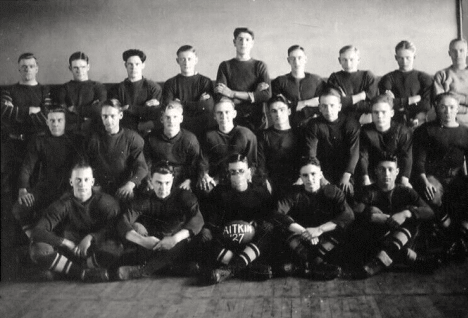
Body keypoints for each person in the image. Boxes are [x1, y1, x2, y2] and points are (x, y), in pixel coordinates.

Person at [29, 162, 122, 282]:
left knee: (117, 246)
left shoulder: (106, 202)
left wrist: (92, 237)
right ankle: (82, 273)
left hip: (94, 251)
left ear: (92, 182)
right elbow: (37, 231)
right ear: (71, 182)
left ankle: (67, 271)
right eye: (78, 180)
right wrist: (65, 242)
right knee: (38, 249)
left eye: (86, 179)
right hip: (69, 252)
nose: (82, 184)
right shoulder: (62, 204)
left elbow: (115, 227)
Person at [345, 155, 435, 279]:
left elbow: (429, 212)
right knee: (371, 211)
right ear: (376, 171)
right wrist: (371, 216)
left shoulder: (406, 191)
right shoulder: (369, 191)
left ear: (397, 172)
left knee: (411, 215)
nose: (386, 174)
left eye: (390, 169)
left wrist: (406, 214)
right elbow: (354, 214)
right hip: (381, 239)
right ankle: (408, 258)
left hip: (404, 237)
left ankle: (379, 262)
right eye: (382, 169)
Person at [115, 161, 204, 280]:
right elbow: (123, 220)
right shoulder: (145, 198)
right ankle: (171, 268)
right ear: (151, 180)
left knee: (190, 242)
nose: (163, 188)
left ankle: (142, 271)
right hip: (154, 244)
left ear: (173, 179)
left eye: (167, 183)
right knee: (136, 230)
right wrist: (142, 241)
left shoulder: (183, 196)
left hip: (178, 244)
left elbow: (198, 219)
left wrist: (174, 239)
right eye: (158, 183)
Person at [271, 157, 354, 280]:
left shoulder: (332, 191)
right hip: (302, 238)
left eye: (313, 174)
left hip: (325, 239)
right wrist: (304, 231)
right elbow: (276, 214)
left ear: (320, 174)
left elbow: (348, 215)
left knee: (347, 230)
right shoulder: (294, 193)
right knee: (277, 228)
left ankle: (309, 265)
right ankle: (316, 263)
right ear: (300, 177)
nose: (310, 179)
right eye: (305, 175)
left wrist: (319, 229)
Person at [200, 154, 274, 284]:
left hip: (251, 242)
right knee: (205, 239)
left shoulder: (260, 192)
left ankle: (229, 270)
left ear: (248, 172)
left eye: (241, 171)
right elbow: (212, 218)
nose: (238, 175)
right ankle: (246, 268)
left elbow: (268, 217)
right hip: (228, 241)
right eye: (233, 172)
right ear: (228, 174)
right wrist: (207, 229)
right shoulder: (219, 192)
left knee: (268, 234)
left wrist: (259, 224)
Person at [12, 107, 84, 239]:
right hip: (45, 187)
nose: (55, 124)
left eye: (59, 120)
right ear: (47, 122)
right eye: (52, 120)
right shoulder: (39, 140)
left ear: (65, 122)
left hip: (68, 189)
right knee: (19, 208)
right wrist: (22, 189)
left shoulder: (76, 140)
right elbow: (27, 166)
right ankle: (33, 237)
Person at [413, 92, 468, 261]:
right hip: (433, 177)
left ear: (457, 109)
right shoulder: (425, 130)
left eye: (451, 107)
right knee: (431, 192)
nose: (447, 111)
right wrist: (424, 181)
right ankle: (453, 235)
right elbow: (419, 161)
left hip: (457, 177)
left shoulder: (465, 132)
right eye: (443, 107)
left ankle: (460, 237)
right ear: (436, 108)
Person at [1, 53, 51, 203]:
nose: (27, 69)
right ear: (18, 69)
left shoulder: (44, 91)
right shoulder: (9, 91)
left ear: (37, 68)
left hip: (36, 145)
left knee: (35, 187)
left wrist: (16, 112)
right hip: (14, 146)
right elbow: (4, 112)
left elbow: (47, 117)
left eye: (31, 66)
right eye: (24, 67)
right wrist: (31, 111)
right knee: (10, 189)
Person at [303, 86, 360, 199]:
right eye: (324, 106)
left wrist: (346, 176)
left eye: (332, 105)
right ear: (319, 108)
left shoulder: (351, 124)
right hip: (323, 170)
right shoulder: (314, 125)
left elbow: (354, 153)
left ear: (339, 107)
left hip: (346, 171)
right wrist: (321, 177)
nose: (328, 110)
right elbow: (311, 154)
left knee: (348, 192)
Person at [87, 99, 148, 200]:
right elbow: (85, 163)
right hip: (100, 187)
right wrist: (92, 184)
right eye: (105, 116)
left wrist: (130, 184)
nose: (108, 120)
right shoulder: (94, 139)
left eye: (112, 116)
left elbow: (142, 167)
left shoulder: (132, 138)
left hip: (124, 187)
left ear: (120, 116)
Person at [215, 27, 271, 131]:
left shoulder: (260, 66)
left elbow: (266, 95)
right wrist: (254, 94)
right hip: (232, 120)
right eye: (240, 39)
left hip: (257, 120)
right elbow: (221, 97)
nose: (243, 43)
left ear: (252, 43)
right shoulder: (225, 66)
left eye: (247, 39)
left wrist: (232, 94)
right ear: (234, 42)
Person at [198, 98, 257, 193]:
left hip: (239, 174)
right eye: (219, 113)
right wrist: (204, 174)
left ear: (234, 114)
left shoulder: (246, 134)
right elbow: (203, 161)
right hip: (216, 178)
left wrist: (245, 177)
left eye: (227, 112)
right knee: (206, 189)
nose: (223, 116)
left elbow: (253, 163)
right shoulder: (209, 135)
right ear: (214, 116)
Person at [359, 95, 413, 188]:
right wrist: (365, 177)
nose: (379, 116)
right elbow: (363, 156)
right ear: (371, 114)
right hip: (373, 173)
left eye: (383, 112)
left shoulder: (403, 132)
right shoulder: (365, 131)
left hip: (395, 174)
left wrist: (404, 179)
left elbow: (406, 157)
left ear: (391, 113)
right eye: (376, 112)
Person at [144, 101, 200, 190]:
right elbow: (147, 162)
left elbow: (195, 164)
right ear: (162, 119)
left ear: (181, 119)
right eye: (167, 117)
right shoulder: (151, 138)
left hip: (181, 179)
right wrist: (149, 178)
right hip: (158, 178)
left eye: (175, 117)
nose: (171, 121)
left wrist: (189, 180)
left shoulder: (190, 140)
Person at [162, 45, 215, 138]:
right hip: (178, 128)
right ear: (177, 61)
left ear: (196, 60)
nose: (186, 63)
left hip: (202, 127)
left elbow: (207, 107)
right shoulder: (170, 83)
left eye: (189, 59)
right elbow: (169, 107)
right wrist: (198, 103)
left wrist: (180, 103)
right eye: (182, 59)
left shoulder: (205, 81)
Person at [378, 41, 433, 128]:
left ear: (414, 57)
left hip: (418, 119)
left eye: (408, 57)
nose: (404, 61)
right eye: (401, 58)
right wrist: (411, 100)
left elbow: (426, 104)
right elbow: (385, 102)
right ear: (396, 57)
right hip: (395, 120)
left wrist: (401, 106)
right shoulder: (388, 78)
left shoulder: (424, 77)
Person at [109, 49, 162, 133]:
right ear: (125, 65)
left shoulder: (154, 88)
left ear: (143, 65)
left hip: (147, 132)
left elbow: (154, 114)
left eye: (137, 64)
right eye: (130, 64)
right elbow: (116, 113)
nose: (134, 67)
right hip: (124, 131)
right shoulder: (117, 89)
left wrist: (128, 108)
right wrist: (143, 108)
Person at [257, 94, 300, 197]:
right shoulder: (264, 135)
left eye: (282, 110)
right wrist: (265, 182)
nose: (278, 114)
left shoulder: (299, 133)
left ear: (289, 111)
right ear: (269, 114)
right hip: (272, 183)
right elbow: (260, 163)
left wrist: (300, 180)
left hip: (297, 182)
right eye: (274, 111)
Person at [272, 45, 325, 128]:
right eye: (293, 58)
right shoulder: (279, 82)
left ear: (305, 59)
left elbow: (322, 104)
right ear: (288, 60)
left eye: (299, 58)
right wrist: (307, 103)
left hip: (313, 126)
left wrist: (296, 105)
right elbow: (279, 106)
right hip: (288, 126)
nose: (296, 62)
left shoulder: (317, 81)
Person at [57, 52, 107, 135]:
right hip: (71, 132)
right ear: (70, 68)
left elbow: (98, 110)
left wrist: (74, 109)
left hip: (94, 131)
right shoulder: (64, 88)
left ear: (88, 67)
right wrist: (87, 113)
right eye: (75, 67)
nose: (79, 71)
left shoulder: (98, 87)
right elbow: (62, 112)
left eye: (83, 67)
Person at [328, 45, 378, 123]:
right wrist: (361, 96)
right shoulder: (334, 78)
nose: (348, 64)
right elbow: (337, 103)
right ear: (339, 60)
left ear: (358, 60)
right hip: (342, 118)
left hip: (366, 117)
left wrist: (348, 100)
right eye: (344, 60)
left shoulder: (368, 76)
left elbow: (373, 104)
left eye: (351, 59)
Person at [433, 38, 468, 127]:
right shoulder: (442, 75)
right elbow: (441, 104)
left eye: (461, 50)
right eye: (454, 51)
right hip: (450, 122)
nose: (458, 54)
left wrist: (455, 96)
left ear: (467, 52)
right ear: (449, 53)